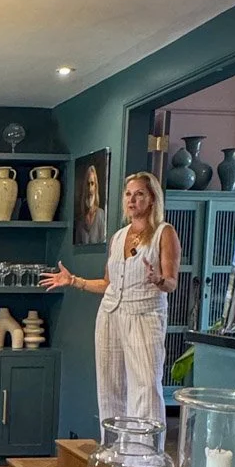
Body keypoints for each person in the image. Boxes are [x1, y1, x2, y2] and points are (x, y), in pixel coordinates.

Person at [42, 171, 180, 430]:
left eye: (139, 194)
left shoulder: (164, 233)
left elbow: (171, 283)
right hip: (110, 315)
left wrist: (157, 279)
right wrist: (74, 281)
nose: (132, 200)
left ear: (152, 199)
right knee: (110, 386)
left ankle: (145, 457)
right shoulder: (118, 237)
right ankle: (116, 450)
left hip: (144, 315)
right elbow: (108, 284)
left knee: (146, 387)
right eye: (128, 194)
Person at [74, 163, 107, 245]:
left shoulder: (101, 214)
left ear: (96, 187)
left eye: (92, 184)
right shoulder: (80, 220)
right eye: (87, 184)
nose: (90, 189)